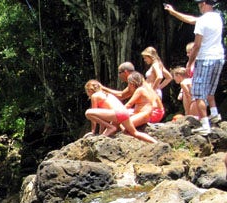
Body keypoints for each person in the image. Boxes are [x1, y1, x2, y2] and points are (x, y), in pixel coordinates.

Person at [165, 1, 225, 134]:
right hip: (219, 57)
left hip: (204, 59)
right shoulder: (217, 17)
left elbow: (196, 45)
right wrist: (174, 12)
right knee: (210, 90)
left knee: (198, 93)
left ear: (203, 3)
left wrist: (190, 62)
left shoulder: (203, 21)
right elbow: (192, 20)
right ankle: (214, 114)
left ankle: (205, 125)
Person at [84, 80, 157, 143]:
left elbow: (94, 116)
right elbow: (102, 119)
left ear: (90, 90)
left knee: (88, 112)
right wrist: (101, 134)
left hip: (117, 114)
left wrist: (93, 131)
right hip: (124, 113)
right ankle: (155, 142)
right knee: (135, 133)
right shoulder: (107, 94)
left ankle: (110, 128)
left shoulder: (95, 96)